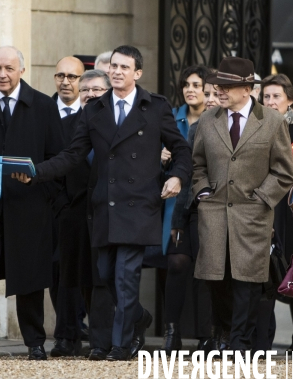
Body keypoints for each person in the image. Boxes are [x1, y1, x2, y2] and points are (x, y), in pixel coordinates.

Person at [14, 45, 192, 361]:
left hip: (139, 206)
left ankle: (121, 346)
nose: (117, 71)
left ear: (137, 73)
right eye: (114, 66)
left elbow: (181, 149)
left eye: (125, 67)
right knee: (107, 277)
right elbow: (73, 154)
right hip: (104, 208)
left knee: (125, 278)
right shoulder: (94, 109)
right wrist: (36, 173)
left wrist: (177, 177)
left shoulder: (156, 107)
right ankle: (139, 317)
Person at [0, 46, 65, 361]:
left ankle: (35, 343)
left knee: (29, 276)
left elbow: (57, 156)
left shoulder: (44, 106)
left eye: (8, 68)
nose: (2, 74)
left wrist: (40, 186)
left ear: (21, 70)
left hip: (29, 207)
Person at [191, 56, 293, 353]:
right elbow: (197, 165)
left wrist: (262, 197)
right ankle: (224, 333)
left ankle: (238, 344)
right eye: (217, 85)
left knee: (247, 283)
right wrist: (202, 192)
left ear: (248, 88)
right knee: (216, 279)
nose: (219, 90)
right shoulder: (208, 121)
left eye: (227, 86)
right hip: (213, 215)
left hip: (253, 215)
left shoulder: (272, 121)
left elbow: (285, 171)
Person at [62, 69, 115, 360]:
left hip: (109, 214)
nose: (90, 95)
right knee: (84, 279)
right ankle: (99, 339)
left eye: (97, 90)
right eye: (85, 90)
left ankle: (105, 340)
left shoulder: (120, 126)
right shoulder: (66, 125)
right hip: (76, 215)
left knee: (106, 279)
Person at [160, 65, 212, 355]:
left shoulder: (214, 119)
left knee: (205, 268)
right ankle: (172, 331)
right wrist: (162, 158)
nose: (191, 89)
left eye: (197, 84)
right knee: (176, 263)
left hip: (207, 205)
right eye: (186, 85)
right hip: (175, 205)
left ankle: (207, 334)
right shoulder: (172, 118)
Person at [260, 74, 293, 357]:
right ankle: (265, 337)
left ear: (290, 99)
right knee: (265, 274)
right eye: (266, 96)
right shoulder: (256, 127)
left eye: (276, 96)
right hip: (264, 207)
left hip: (291, 209)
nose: (270, 101)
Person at [49, 56, 85, 357]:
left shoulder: (91, 115)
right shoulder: (42, 111)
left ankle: (70, 333)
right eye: (60, 75)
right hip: (47, 203)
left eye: (72, 77)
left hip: (80, 205)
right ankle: (67, 331)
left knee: (70, 271)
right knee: (53, 271)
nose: (65, 81)